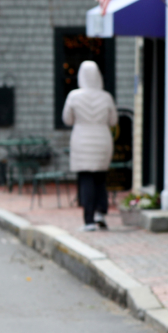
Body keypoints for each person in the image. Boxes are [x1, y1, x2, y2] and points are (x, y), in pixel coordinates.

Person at [62, 60, 118, 231]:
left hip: (82, 140)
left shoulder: (74, 96)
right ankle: (101, 212)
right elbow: (114, 120)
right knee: (100, 179)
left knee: (86, 179)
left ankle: (88, 219)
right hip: (102, 139)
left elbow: (67, 119)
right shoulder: (106, 96)